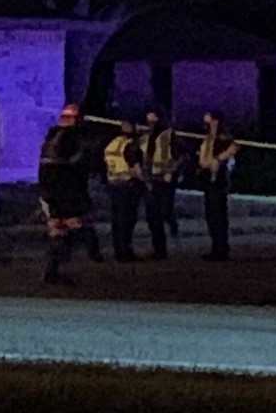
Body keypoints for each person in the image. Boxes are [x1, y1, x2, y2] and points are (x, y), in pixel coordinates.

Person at [37, 103, 102, 284]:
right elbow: (75, 166)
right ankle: (90, 254)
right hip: (65, 191)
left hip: (50, 190)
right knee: (73, 225)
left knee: (60, 229)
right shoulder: (71, 139)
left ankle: (54, 268)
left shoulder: (52, 137)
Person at [101, 118, 145, 262]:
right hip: (128, 186)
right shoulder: (130, 145)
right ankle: (126, 252)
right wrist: (145, 181)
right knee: (127, 220)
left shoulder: (113, 143)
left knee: (117, 220)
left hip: (113, 185)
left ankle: (119, 251)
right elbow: (136, 168)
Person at [198, 110, 239, 261]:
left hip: (219, 180)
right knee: (211, 215)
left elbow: (232, 149)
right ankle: (216, 247)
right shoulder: (208, 138)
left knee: (218, 215)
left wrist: (218, 159)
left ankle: (221, 248)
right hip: (208, 178)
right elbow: (203, 159)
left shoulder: (223, 137)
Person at [140, 108, 179, 259]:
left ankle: (171, 226)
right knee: (153, 217)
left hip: (164, 179)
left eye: (152, 116)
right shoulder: (145, 136)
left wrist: (172, 172)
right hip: (151, 180)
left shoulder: (168, 135)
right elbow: (144, 158)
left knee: (164, 212)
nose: (149, 119)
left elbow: (180, 156)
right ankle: (159, 249)